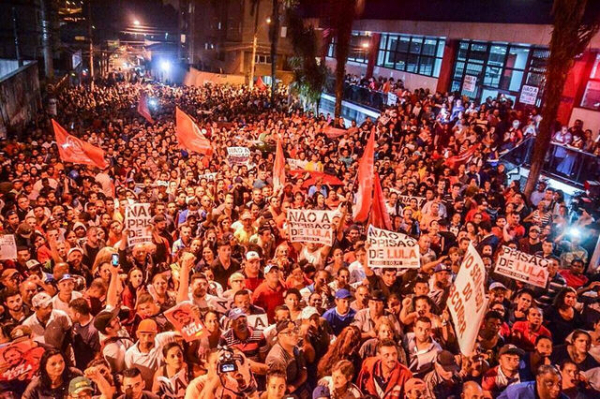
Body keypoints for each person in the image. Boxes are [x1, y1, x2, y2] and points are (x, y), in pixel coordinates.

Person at [497, 364, 567, 399]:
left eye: (559, 384)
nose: (557, 389)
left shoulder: (562, 398)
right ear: (538, 380)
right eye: (550, 384)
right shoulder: (518, 392)